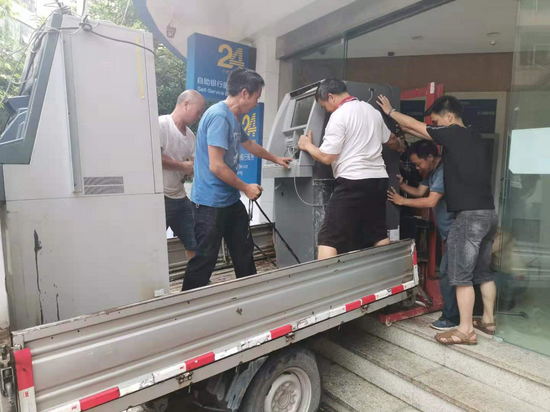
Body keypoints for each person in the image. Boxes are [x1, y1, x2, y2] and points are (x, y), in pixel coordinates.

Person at [377, 94, 497, 346]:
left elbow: (415, 126)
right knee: (483, 272)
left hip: (468, 215)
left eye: (437, 122)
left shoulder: (453, 133)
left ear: (449, 118)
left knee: (460, 276)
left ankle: (465, 330)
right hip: (488, 213)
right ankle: (488, 320)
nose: (435, 127)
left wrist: (390, 112)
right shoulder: (474, 136)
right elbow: (416, 130)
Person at [183, 68, 292, 291]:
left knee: (243, 251)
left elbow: (249, 144)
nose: (256, 103)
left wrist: (275, 158)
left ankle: (250, 295)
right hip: (210, 203)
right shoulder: (219, 116)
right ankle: (186, 303)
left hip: (229, 200)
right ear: (244, 93)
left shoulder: (233, 118)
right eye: (256, 97)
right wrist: (246, 188)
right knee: (205, 258)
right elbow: (216, 165)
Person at [298, 77, 403, 260]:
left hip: (353, 181)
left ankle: (327, 279)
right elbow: (391, 140)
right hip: (378, 181)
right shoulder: (372, 111)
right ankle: (384, 273)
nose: (326, 110)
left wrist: (306, 145)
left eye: (324, 106)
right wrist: (401, 147)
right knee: (377, 232)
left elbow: (326, 157)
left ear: (331, 97)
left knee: (328, 237)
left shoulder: (339, 115)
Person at [387, 140, 459, 330]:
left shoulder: (443, 171)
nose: (417, 168)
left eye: (418, 163)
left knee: (447, 273)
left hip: (457, 230)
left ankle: (451, 318)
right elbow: (420, 192)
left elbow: (430, 201)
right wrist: (402, 186)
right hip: (449, 231)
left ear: (430, 157)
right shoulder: (433, 172)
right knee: (453, 272)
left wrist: (402, 201)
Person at [160, 90, 206, 260]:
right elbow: (152, 157)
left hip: (180, 197)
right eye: (198, 111)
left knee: (195, 242)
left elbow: (195, 165)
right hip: (160, 198)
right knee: (154, 244)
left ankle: (195, 275)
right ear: (186, 104)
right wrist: (181, 165)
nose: (199, 117)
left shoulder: (191, 136)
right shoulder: (161, 125)